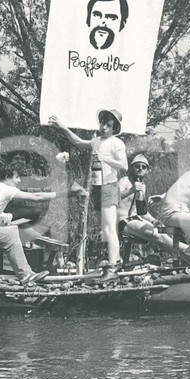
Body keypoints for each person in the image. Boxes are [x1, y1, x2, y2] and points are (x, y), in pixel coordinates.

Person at [49, 109, 127, 279]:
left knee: (109, 227)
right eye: (103, 123)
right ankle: (117, 261)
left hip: (109, 187)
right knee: (105, 229)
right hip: (97, 187)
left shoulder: (116, 143)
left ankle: (113, 268)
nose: (104, 128)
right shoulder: (97, 141)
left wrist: (105, 158)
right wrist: (63, 126)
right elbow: (77, 142)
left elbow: (124, 165)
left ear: (114, 129)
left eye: (109, 125)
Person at [116, 153, 179, 259]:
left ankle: (180, 257)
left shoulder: (142, 186)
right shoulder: (124, 182)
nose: (140, 168)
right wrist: (131, 190)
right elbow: (111, 199)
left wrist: (154, 221)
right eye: (137, 166)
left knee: (169, 231)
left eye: (143, 167)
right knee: (158, 235)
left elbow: (142, 211)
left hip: (136, 219)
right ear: (132, 168)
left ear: (147, 170)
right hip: (123, 222)